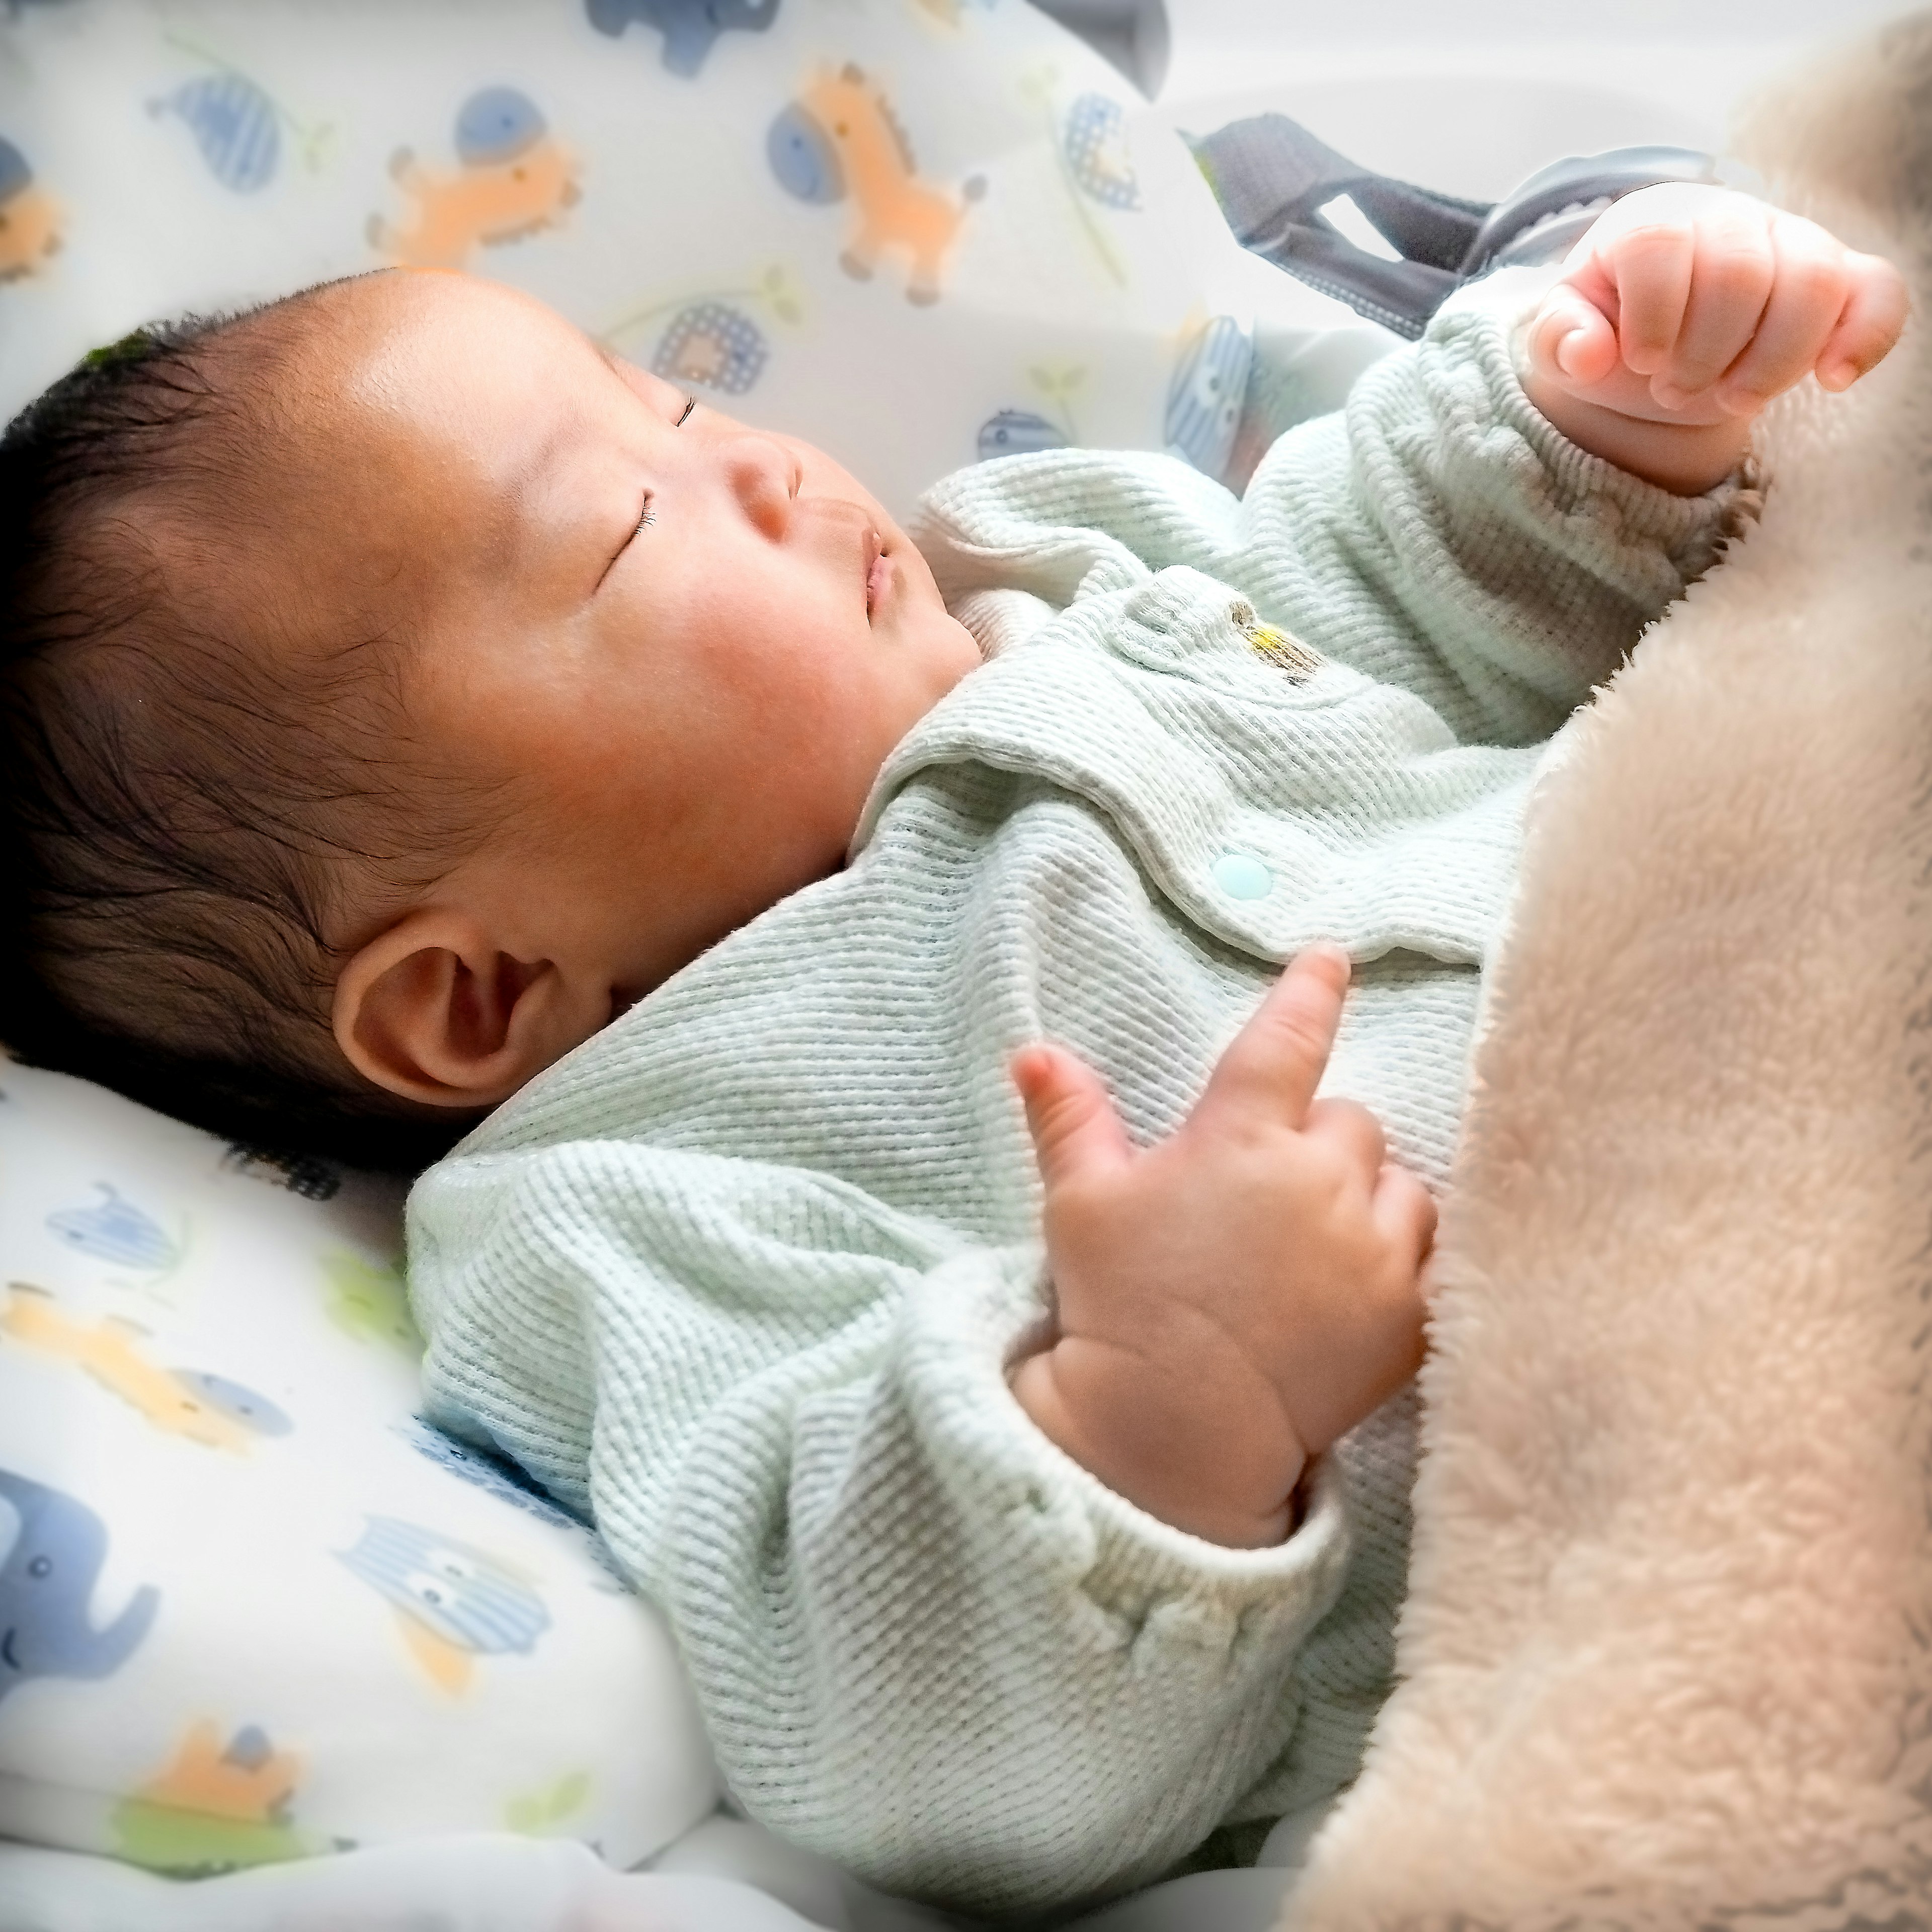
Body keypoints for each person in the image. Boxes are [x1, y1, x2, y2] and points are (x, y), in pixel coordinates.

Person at [0, 184, 1906, 1913]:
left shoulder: (1060, 588)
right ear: (478, 1000)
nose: (758, 464)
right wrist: (1172, 1405)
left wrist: (1608, 407)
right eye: (630, 522)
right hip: (1713, 1493)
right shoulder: (626, 1208)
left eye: (676, 402)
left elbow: (1420, 592)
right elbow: (889, 1722)